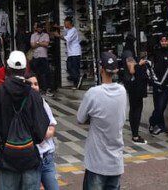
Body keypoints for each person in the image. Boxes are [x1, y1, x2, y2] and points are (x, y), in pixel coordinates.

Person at [0, 51, 51, 190]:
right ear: (25, 69)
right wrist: (33, 140)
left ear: (8, 69)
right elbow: (42, 125)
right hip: (30, 155)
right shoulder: (33, 94)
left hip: (7, 156)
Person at [76, 52, 127, 190]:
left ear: (101, 70)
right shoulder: (122, 91)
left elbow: (80, 118)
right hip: (116, 161)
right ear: (116, 70)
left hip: (96, 162)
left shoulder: (93, 93)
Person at [27, 76, 59, 190]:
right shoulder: (22, 106)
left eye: (36, 84)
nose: (34, 87)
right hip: (32, 159)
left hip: (47, 157)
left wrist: (45, 133)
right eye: (31, 84)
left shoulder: (43, 103)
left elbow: (52, 124)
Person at [119, 51, 149, 144]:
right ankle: (135, 135)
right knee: (136, 110)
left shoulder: (128, 56)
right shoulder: (129, 57)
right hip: (135, 88)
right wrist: (138, 65)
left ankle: (135, 134)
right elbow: (132, 70)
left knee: (134, 110)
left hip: (133, 88)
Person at [147, 35, 168, 136]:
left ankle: (152, 122)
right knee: (157, 106)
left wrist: (163, 82)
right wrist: (154, 81)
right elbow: (153, 67)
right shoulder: (156, 53)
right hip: (156, 84)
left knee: (161, 106)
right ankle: (160, 126)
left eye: (165, 41)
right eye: (162, 41)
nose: (164, 43)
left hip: (165, 85)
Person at [29, 22, 52, 97]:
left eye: (40, 28)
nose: (39, 29)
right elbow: (32, 45)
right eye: (38, 27)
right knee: (37, 73)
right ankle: (39, 88)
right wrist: (41, 43)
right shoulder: (33, 35)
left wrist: (37, 43)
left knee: (44, 73)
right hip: (36, 56)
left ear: (42, 28)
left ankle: (45, 89)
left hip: (43, 56)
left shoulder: (46, 35)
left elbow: (46, 44)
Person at [63, 17, 83, 89]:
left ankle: (76, 82)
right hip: (70, 53)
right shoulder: (68, 29)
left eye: (65, 23)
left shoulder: (73, 30)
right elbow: (63, 28)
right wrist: (57, 27)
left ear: (69, 23)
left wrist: (58, 36)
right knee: (69, 67)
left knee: (74, 68)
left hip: (75, 52)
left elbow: (66, 38)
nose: (64, 24)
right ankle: (75, 78)